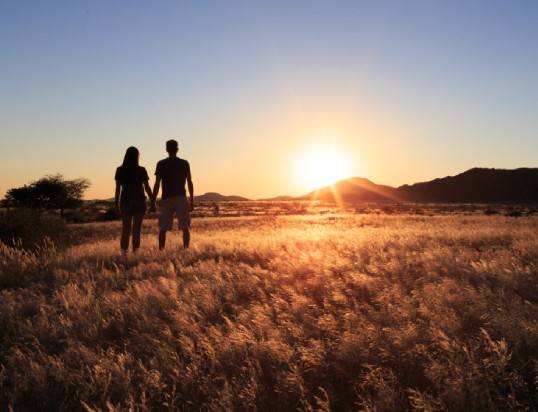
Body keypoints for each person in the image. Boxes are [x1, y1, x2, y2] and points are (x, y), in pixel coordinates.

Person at [151, 139, 194, 250]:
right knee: (185, 227)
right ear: (177, 149)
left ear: (166, 149)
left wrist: (152, 201)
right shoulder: (184, 163)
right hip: (181, 197)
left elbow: (157, 184)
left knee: (163, 228)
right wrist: (192, 200)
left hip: (167, 198)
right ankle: (186, 249)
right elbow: (189, 182)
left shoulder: (161, 164)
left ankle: (161, 250)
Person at [114, 146, 153, 253]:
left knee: (126, 231)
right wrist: (153, 201)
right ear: (137, 156)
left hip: (125, 202)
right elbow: (147, 187)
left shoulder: (120, 170)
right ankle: (135, 254)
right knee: (136, 231)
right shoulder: (141, 170)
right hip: (139, 201)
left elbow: (118, 188)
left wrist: (116, 204)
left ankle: (124, 255)